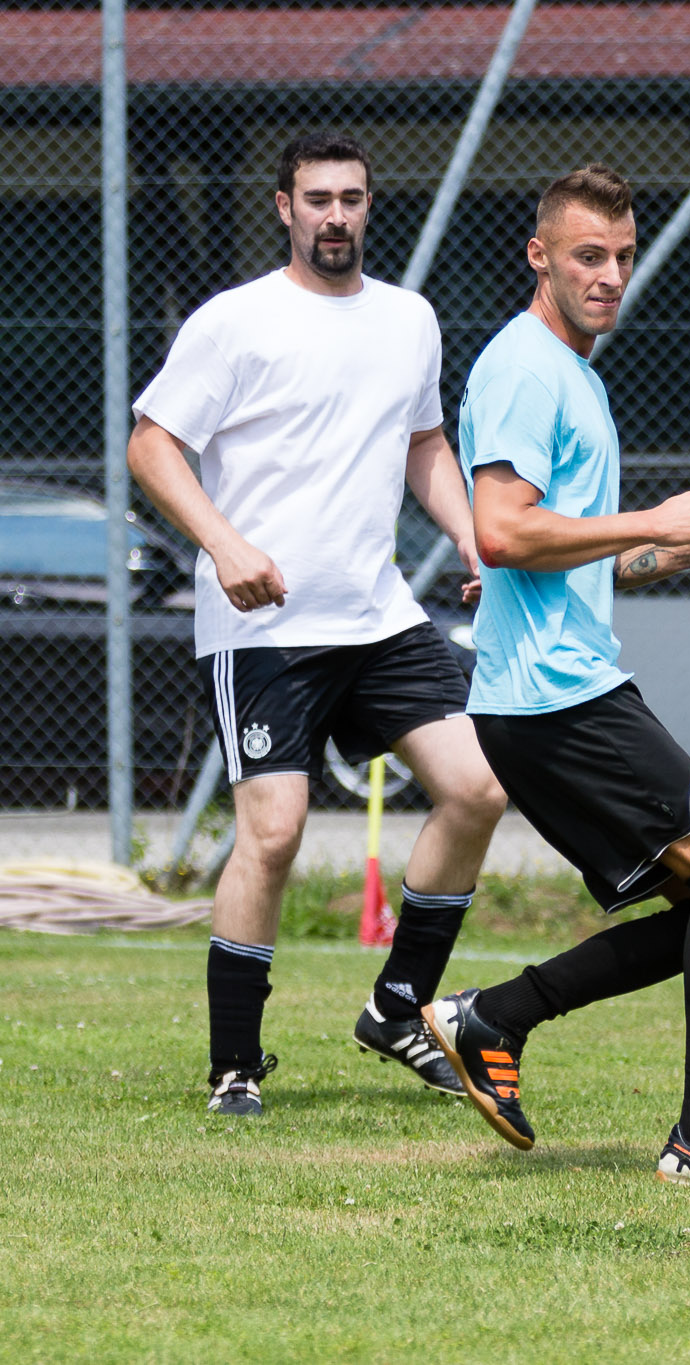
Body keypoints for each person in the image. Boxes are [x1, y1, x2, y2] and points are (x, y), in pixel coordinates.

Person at [421, 164, 690, 1188]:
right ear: (539, 255)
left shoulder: (574, 377)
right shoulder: (521, 367)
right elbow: (503, 532)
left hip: (563, 689)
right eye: (586, 255)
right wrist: (651, 517)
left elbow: (565, 550)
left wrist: (679, 556)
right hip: (552, 700)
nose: (608, 275)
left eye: (622, 256)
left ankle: (493, 1017)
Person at [128, 133, 506, 1118]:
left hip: (377, 616)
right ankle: (235, 1067)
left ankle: (397, 1008)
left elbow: (423, 439)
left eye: (352, 199)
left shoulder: (409, 320)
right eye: (317, 199)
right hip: (263, 630)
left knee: (476, 788)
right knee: (276, 834)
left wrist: (469, 535)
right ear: (284, 209)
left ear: (370, 207)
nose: (335, 215)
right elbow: (152, 444)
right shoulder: (235, 322)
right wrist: (225, 545)